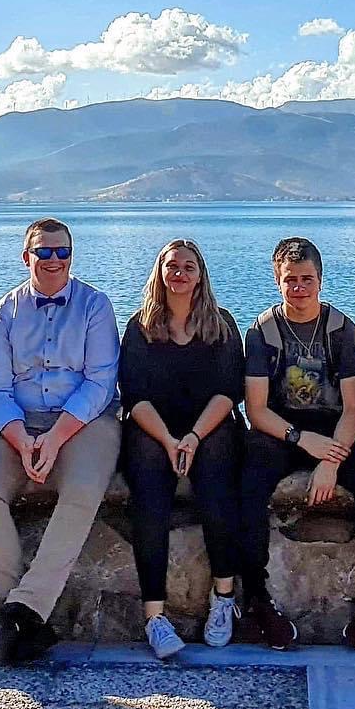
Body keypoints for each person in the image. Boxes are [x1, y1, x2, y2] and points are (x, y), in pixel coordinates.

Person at [0, 218, 121, 664]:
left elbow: (99, 383)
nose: (54, 261)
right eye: (44, 252)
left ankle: (19, 611)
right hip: (15, 419)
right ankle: (24, 613)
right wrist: (20, 437)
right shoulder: (3, 313)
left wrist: (53, 439)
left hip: (83, 421)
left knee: (83, 490)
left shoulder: (95, 307)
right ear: (26, 257)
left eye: (62, 252)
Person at [237, 236, 355, 651]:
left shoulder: (341, 330)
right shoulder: (262, 332)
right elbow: (256, 410)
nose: (299, 288)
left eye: (306, 279)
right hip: (280, 429)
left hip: (334, 429)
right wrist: (299, 439)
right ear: (277, 281)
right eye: (290, 280)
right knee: (248, 491)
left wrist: (330, 462)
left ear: (320, 280)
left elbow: (353, 410)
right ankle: (257, 599)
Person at [117, 239, 244, 659]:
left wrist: (192, 437)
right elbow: (133, 395)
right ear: (160, 273)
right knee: (150, 495)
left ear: (200, 275)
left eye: (189, 267)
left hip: (208, 425)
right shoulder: (139, 327)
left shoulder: (221, 325)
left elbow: (229, 392)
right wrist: (170, 440)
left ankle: (224, 597)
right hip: (154, 428)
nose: (180, 274)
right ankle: (155, 615)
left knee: (217, 483)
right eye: (173, 266)